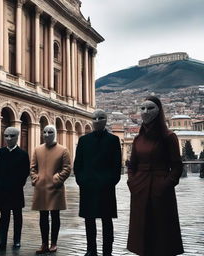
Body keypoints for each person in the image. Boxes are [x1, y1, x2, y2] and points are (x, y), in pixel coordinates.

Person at [127, 96, 184, 256]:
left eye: (150, 108)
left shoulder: (169, 137)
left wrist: (165, 185)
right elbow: (132, 165)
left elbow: (177, 166)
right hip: (140, 190)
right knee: (142, 231)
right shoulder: (138, 139)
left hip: (160, 190)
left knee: (162, 233)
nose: (145, 112)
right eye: (142, 108)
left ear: (159, 111)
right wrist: (132, 182)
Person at [74, 109, 122, 256]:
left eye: (100, 118)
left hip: (106, 187)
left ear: (106, 120)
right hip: (88, 186)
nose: (97, 121)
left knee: (107, 221)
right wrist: (81, 180)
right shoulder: (83, 140)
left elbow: (117, 166)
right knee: (89, 220)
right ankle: (91, 250)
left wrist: (111, 181)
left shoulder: (113, 140)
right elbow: (78, 165)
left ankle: (107, 251)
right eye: (94, 118)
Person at [31, 125, 71, 254]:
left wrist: (58, 178)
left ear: (55, 134)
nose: (47, 134)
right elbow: (33, 167)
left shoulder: (63, 150)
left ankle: (53, 242)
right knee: (43, 216)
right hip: (41, 187)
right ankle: (44, 243)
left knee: (55, 216)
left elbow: (67, 167)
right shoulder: (37, 149)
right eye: (45, 132)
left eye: (50, 132)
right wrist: (35, 178)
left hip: (55, 187)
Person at [0, 127, 30, 251]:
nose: (8, 138)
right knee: (4, 216)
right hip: (2, 190)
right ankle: (1, 240)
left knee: (17, 215)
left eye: (11, 136)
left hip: (16, 190)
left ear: (17, 137)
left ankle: (17, 240)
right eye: (6, 136)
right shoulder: (0, 152)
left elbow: (25, 172)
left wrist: (18, 184)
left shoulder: (23, 154)